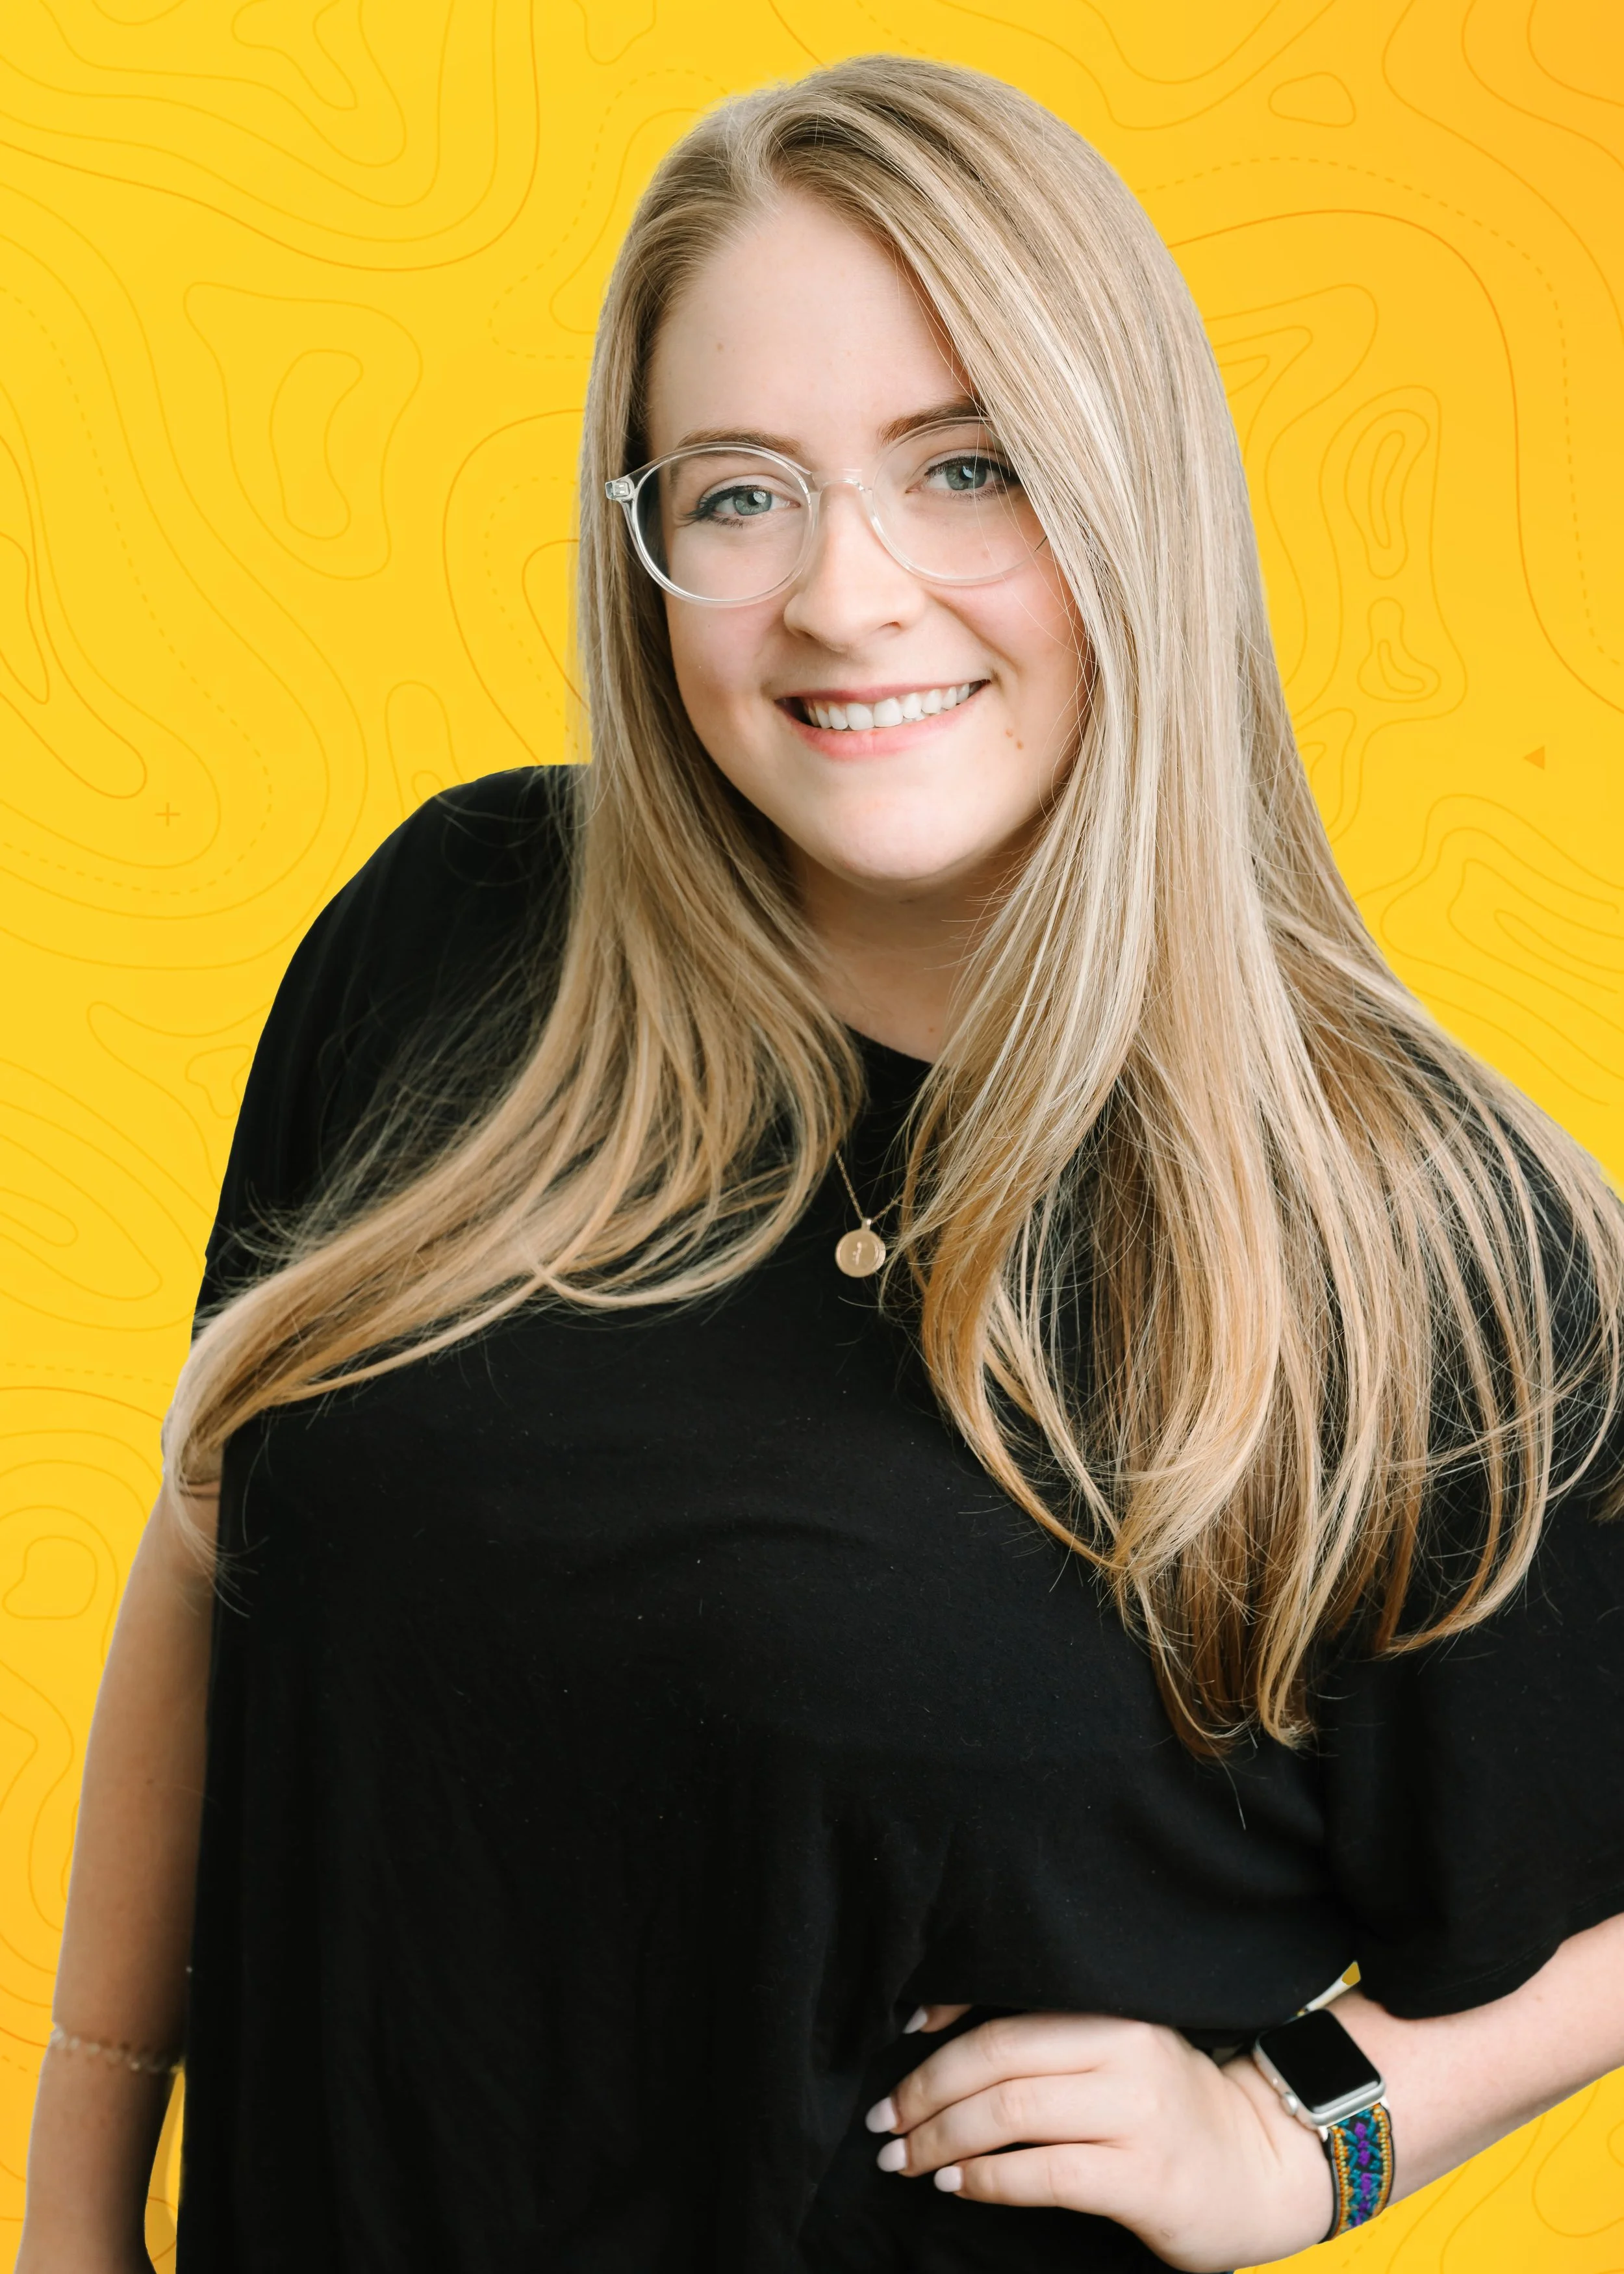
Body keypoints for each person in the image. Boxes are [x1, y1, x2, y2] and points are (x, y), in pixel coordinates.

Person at [18, 53, 1624, 2274]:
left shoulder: (1395, 1223)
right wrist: (75, 2205)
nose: (847, 601)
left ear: (1128, 494)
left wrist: (1307, 2134)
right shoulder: (461, 933)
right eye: (741, 492)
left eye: (965, 470)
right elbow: (214, 1551)